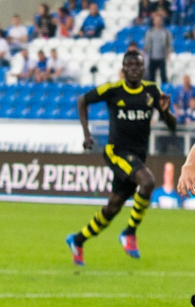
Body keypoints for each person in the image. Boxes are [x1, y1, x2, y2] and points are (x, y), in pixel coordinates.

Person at [65, 51, 176, 266]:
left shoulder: (152, 91)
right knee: (148, 181)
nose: (134, 68)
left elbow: (171, 126)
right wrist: (86, 134)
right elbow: (82, 100)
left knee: (113, 207)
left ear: (143, 69)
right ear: (123, 69)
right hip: (117, 152)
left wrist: (166, 112)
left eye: (138, 65)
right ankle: (129, 233)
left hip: (137, 156)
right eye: (130, 65)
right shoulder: (113, 90)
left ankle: (77, 240)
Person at [143, 14, 172, 84]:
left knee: (163, 76)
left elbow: (168, 44)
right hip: (152, 57)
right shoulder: (150, 32)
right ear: (154, 21)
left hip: (162, 57)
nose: (158, 22)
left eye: (159, 20)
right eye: (156, 20)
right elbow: (147, 44)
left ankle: (164, 91)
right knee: (151, 77)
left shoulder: (165, 32)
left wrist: (168, 54)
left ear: (161, 21)